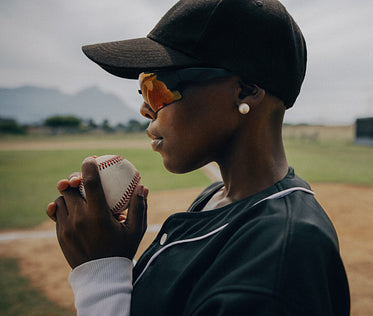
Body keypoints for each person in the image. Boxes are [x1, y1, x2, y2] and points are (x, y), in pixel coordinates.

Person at [46, 0, 350, 315]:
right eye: (144, 92)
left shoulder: (282, 260)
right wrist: (115, 256)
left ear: (244, 91)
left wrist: (100, 275)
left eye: (157, 88)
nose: (146, 108)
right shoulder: (218, 198)